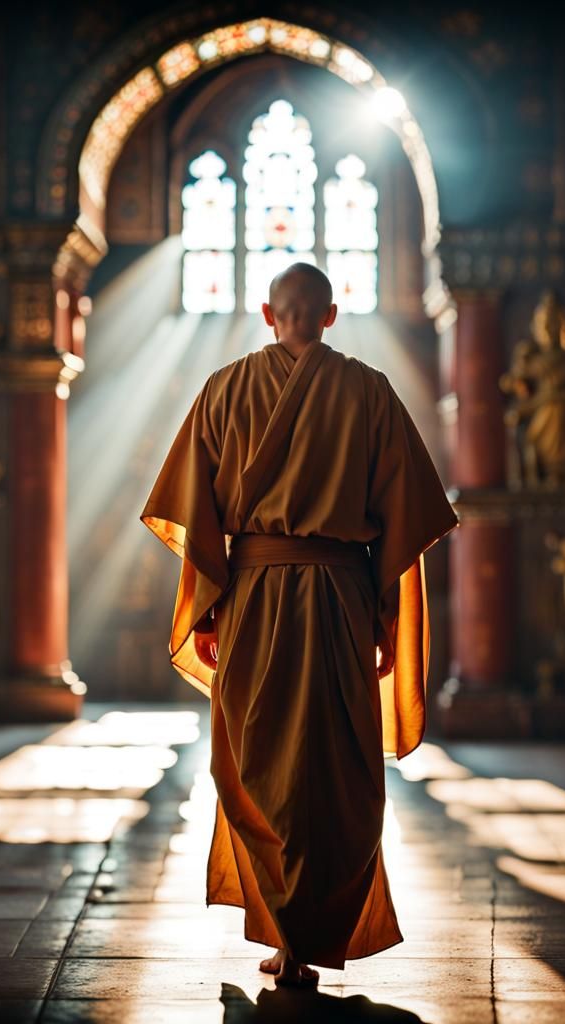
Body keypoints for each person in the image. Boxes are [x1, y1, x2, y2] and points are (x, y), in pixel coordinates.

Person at [140, 263, 458, 987]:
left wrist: (212, 608)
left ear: (266, 312)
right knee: (335, 767)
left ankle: (288, 934)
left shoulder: (224, 390)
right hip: (342, 597)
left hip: (252, 598)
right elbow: (405, 521)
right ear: (332, 314)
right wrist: (383, 617)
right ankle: (309, 931)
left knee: (252, 762)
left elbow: (198, 516)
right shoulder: (370, 391)